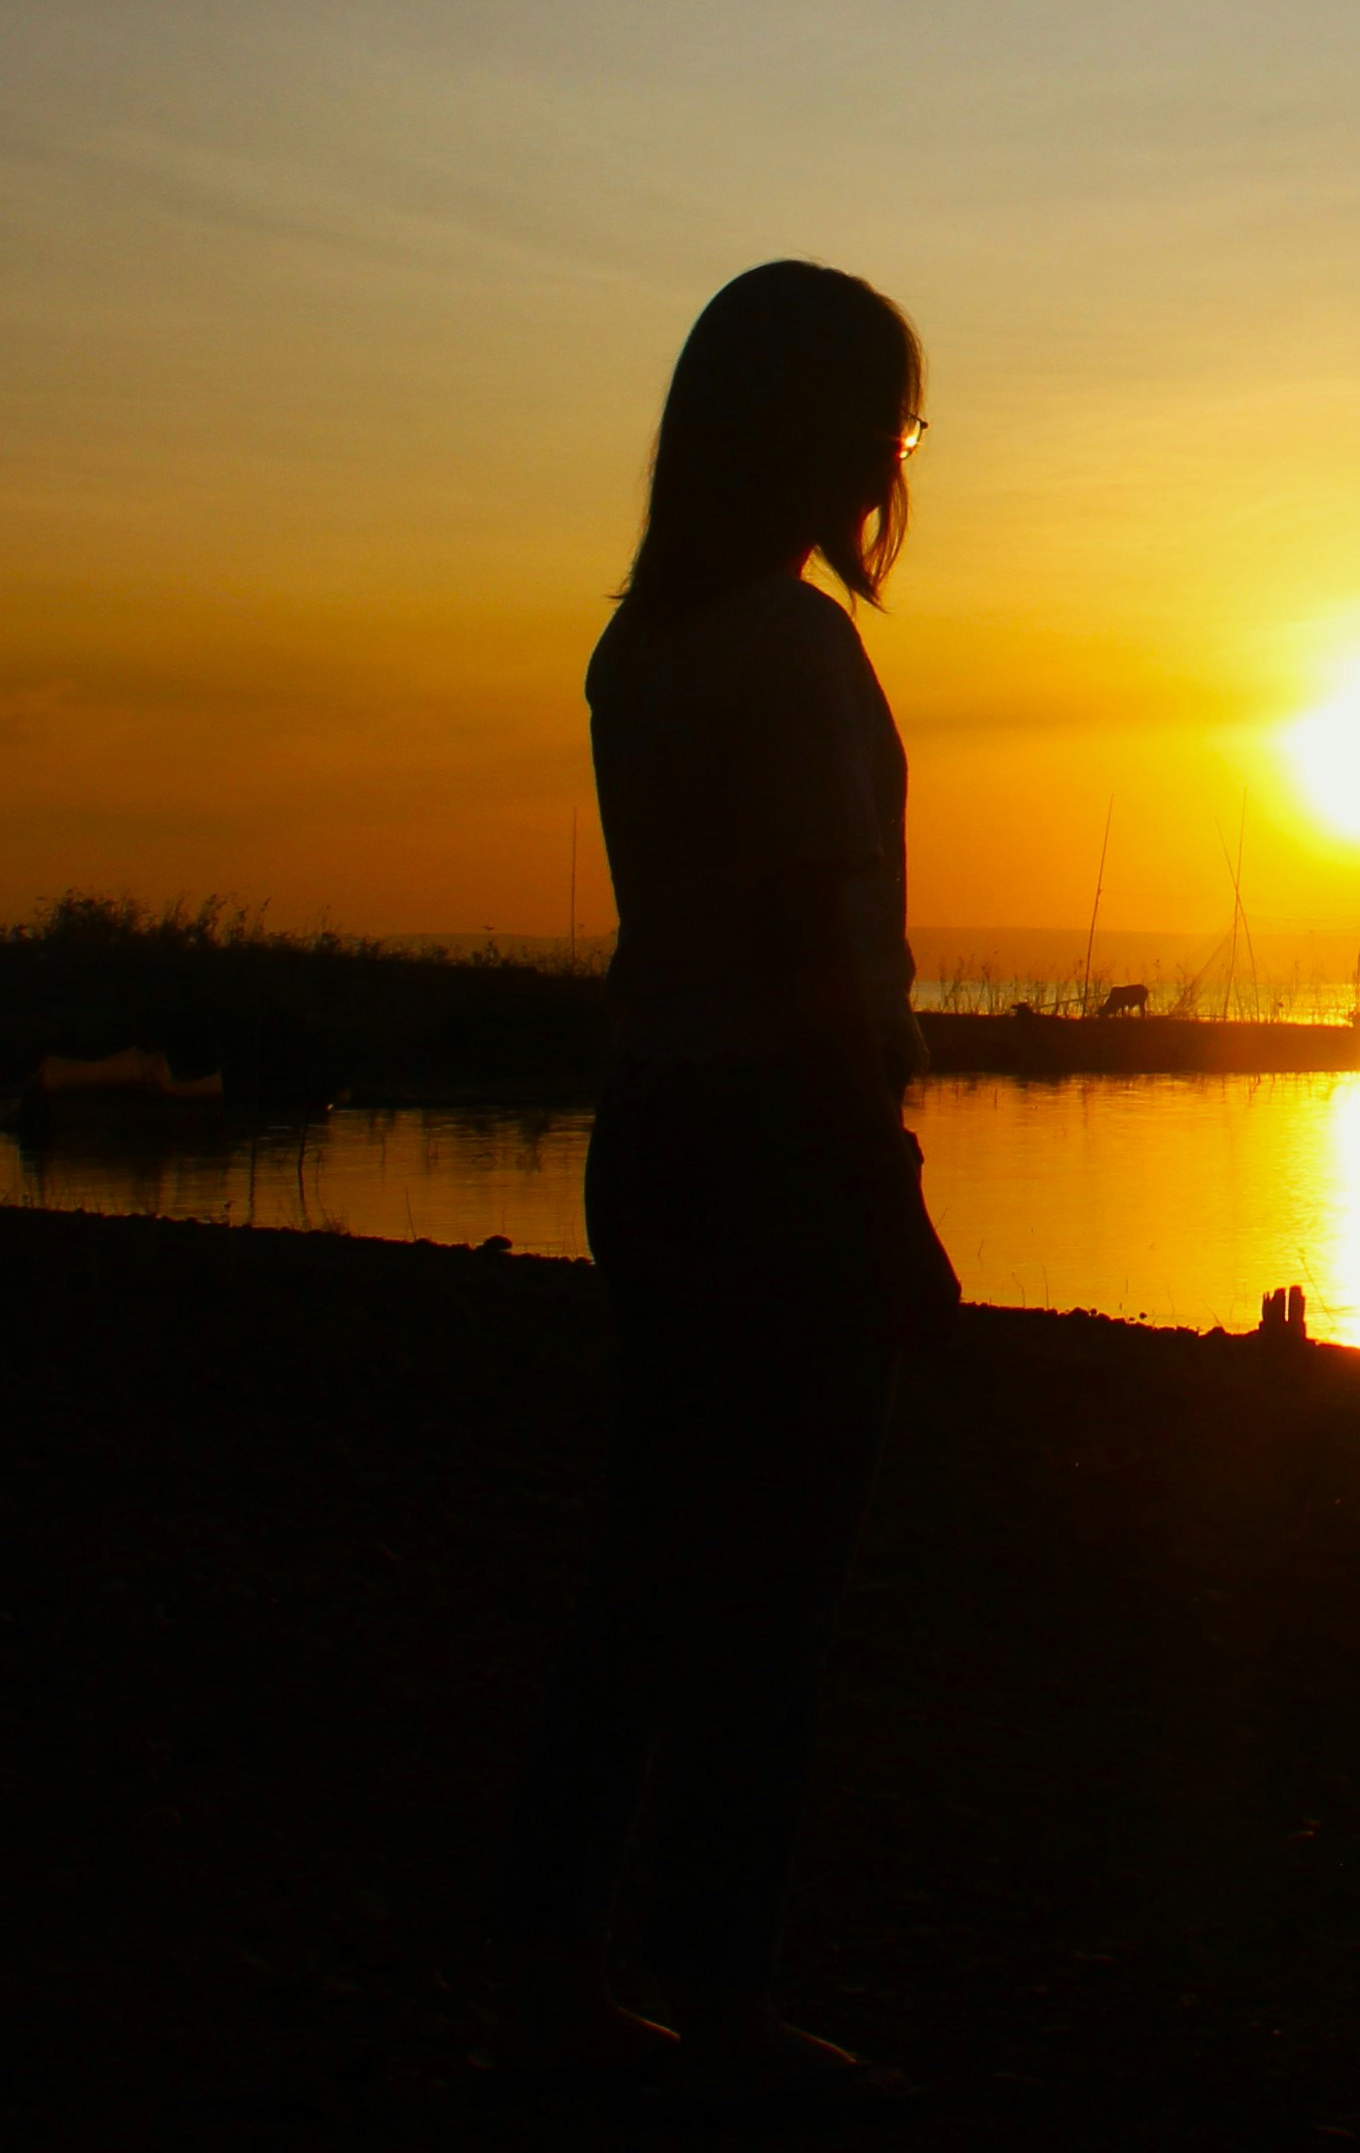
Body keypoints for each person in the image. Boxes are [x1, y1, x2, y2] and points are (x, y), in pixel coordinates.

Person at [496, 259, 958, 2115]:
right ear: (826, 431)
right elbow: (807, 947)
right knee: (768, 1595)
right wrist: (884, 1182)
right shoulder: (785, 650)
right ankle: (719, 1995)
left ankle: (563, 1969)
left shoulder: (644, 645)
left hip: (658, 1132)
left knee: (651, 1571)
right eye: (893, 424)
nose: (897, 463)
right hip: (775, 1144)